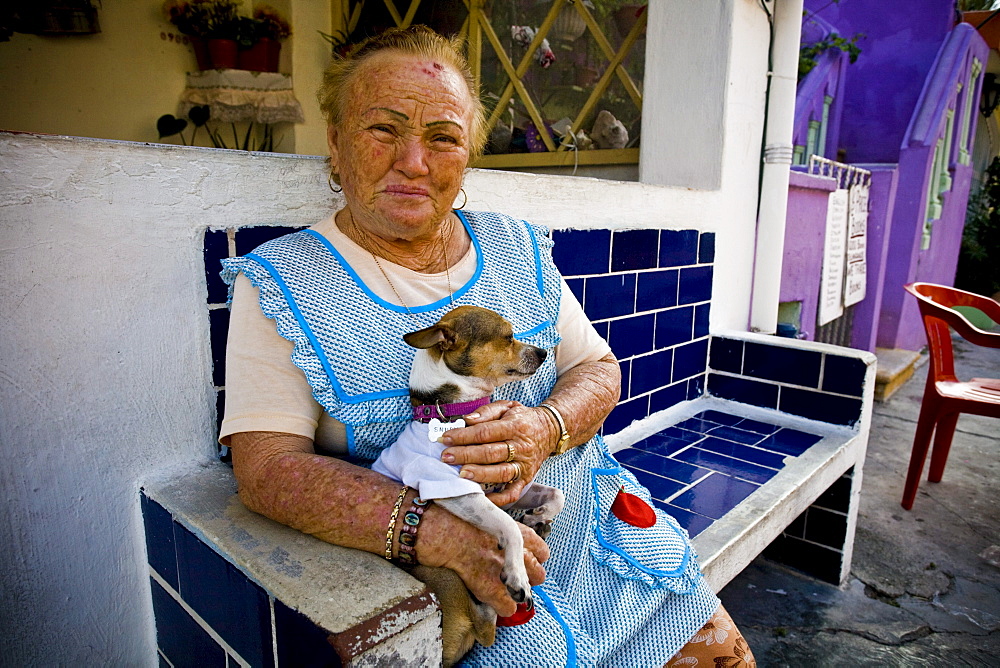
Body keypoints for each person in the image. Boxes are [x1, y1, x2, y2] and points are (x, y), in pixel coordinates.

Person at [220, 25, 756, 667]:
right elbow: (268, 470)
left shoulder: (514, 245)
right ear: (335, 142)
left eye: (443, 138)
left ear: (466, 156)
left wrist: (547, 427)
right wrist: (429, 532)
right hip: (486, 593)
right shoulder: (284, 282)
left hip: (619, 558)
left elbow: (599, 369)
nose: (414, 161)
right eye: (383, 130)